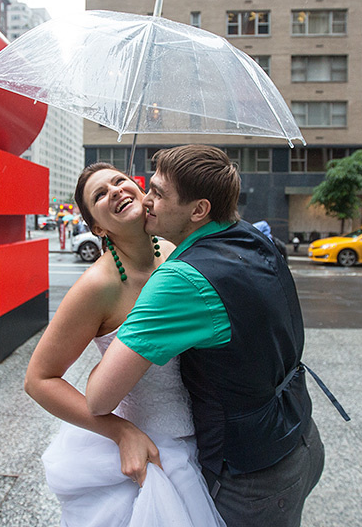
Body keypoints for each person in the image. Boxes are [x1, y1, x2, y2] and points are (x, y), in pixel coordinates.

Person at [85, 145, 327, 527]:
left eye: (160, 194)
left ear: (198, 210)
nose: (145, 199)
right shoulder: (252, 237)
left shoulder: (181, 279)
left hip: (251, 478)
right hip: (301, 437)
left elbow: (99, 399)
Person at [24, 163, 225, 527]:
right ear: (97, 227)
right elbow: (39, 379)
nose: (115, 190)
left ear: (141, 189)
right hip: (154, 447)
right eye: (100, 195)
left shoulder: (175, 250)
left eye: (120, 181)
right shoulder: (97, 286)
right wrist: (119, 431)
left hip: (213, 432)